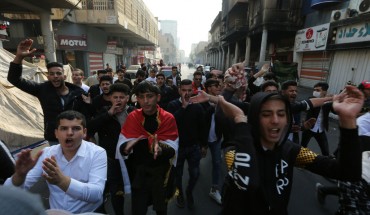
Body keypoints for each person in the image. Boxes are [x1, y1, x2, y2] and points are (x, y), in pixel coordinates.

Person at [190, 85, 363, 215]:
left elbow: (347, 172)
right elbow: (248, 182)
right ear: (254, 120)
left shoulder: (290, 151)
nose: (275, 120)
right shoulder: (234, 150)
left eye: (281, 114)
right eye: (266, 114)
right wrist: (241, 122)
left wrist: (348, 120)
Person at [4, 111, 107, 213]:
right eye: (64, 128)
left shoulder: (97, 153)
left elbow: (96, 194)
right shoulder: (47, 153)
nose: (69, 133)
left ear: (84, 132)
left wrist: (62, 181)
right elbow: (8, 191)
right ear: (56, 133)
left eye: (76, 128)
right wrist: (20, 176)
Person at [7, 39, 90, 145]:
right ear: (48, 76)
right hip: (54, 138)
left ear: (64, 76)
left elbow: (87, 116)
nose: (55, 76)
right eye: (52, 74)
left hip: (76, 138)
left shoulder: (78, 93)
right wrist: (19, 57)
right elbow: (14, 79)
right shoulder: (42, 89)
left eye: (58, 73)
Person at [116, 81, 179, 215]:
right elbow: (123, 143)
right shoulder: (133, 117)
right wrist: (125, 149)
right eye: (141, 97)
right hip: (138, 172)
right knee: (138, 209)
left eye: (149, 96)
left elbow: (174, 147)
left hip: (160, 172)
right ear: (137, 99)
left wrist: (161, 149)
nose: (146, 101)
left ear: (158, 97)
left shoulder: (168, 118)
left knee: (161, 210)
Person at [88, 83, 135, 215]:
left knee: (136, 188)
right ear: (110, 99)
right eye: (115, 97)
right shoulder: (104, 112)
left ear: (128, 98)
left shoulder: (134, 112)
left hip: (133, 158)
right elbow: (90, 128)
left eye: (122, 97)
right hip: (112, 158)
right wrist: (109, 114)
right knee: (116, 191)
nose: (118, 100)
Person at [167, 79, 207, 209]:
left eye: (189, 90)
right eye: (184, 90)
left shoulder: (197, 106)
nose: (187, 93)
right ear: (179, 90)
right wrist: (183, 107)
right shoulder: (172, 105)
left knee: (195, 173)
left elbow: (202, 127)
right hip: (178, 147)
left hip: (194, 147)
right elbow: (170, 124)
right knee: (178, 174)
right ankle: (179, 194)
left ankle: (189, 191)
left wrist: (204, 145)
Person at [202, 78, 223, 205]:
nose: (219, 88)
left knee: (217, 163)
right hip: (202, 140)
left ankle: (215, 189)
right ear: (209, 88)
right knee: (194, 168)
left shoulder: (222, 101)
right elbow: (201, 122)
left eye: (219, 86)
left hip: (216, 139)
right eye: (216, 86)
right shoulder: (201, 102)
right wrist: (202, 144)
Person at [301, 82, 332, 156]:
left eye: (318, 90)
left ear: (324, 92)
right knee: (302, 147)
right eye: (314, 90)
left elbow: (334, 110)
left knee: (325, 150)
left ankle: (327, 164)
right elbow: (311, 105)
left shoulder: (329, 102)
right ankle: (299, 162)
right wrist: (326, 99)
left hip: (320, 129)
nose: (315, 92)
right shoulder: (311, 99)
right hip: (309, 128)